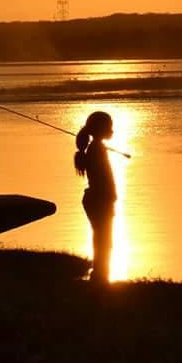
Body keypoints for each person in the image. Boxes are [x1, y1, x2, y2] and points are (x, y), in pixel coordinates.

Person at [74, 111, 117, 284]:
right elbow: (104, 178)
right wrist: (111, 197)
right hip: (99, 199)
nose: (112, 130)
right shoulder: (96, 150)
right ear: (101, 129)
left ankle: (100, 275)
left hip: (96, 199)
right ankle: (100, 276)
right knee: (104, 239)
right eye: (109, 126)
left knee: (102, 238)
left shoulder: (96, 148)